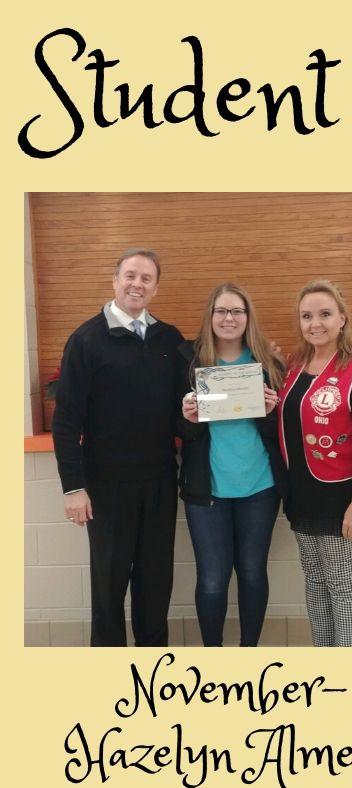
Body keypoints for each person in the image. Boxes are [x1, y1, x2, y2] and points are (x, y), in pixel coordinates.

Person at [52, 248, 183, 646]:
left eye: (146, 278)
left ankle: (153, 676)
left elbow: (183, 410)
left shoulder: (169, 339)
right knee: (109, 591)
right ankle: (107, 682)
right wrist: (73, 487)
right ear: (114, 280)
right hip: (107, 488)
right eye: (130, 275)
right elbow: (66, 420)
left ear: (156, 287)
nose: (137, 284)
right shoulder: (86, 340)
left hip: (160, 484)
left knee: (155, 586)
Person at [277, 280, 352, 646]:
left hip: (341, 495)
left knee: (342, 583)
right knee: (315, 580)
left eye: (324, 314)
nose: (315, 323)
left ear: (342, 318)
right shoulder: (295, 366)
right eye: (307, 316)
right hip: (300, 492)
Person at [178, 283, 287, 646]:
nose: (229, 318)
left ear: (247, 317)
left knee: (253, 573)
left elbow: (278, 432)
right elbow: (176, 428)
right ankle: (214, 656)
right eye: (221, 311)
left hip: (259, 486)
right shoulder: (189, 361)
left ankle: (248, 652)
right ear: (210, 316)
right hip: (207, 490)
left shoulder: (268, 363)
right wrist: (188, 420)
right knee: (212, 578)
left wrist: (269, 414)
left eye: (237, 311)